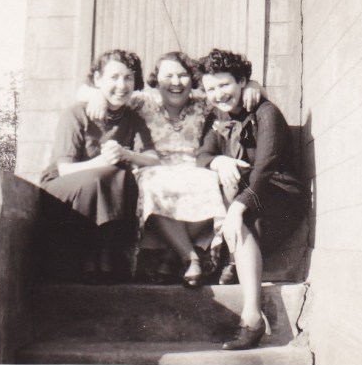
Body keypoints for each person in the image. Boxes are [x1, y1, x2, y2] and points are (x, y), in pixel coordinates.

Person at [80, 52, 263, 286]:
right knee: (152, 184)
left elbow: (234, 91)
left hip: (194, 166)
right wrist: (96, 95)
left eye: (183, 75)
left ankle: (171, 255)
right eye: (169, 76)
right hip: (153, 165)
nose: (176, 82)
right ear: (157, 80)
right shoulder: (143, 101)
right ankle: (190, 256)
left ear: (193, 79)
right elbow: (86, 91)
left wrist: (254, 85)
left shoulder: (202, 102)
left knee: (211, 183)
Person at [196, 49, 309, 350]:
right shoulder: (218, 118)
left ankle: (252, 317)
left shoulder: (265, 112)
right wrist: (220, 161)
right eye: (211, 89)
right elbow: (202, 155)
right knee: (227, 191)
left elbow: (266, 165)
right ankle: (235, 265)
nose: (219, 94)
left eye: (225, 85)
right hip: (250, 195)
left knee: (240, 219)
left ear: (243, 81)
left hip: (281, 194)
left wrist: (236, 208)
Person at [41, 50, 159, 284]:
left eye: (128, 78)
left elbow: (153, 158)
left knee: (122, 175)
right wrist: (104, 162)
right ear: (97, 80)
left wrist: (126, 153)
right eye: (114, 77)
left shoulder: (133, 118)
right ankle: (95, 259)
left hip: (101, 191)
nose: (121, 85)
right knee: (111, 174)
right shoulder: (76, 114)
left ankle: (103, 259)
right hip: (61, 192)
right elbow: (65, 170)